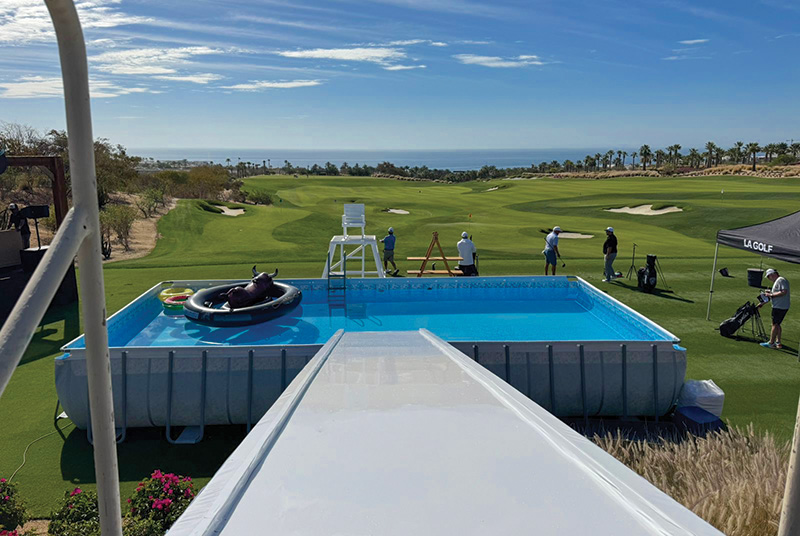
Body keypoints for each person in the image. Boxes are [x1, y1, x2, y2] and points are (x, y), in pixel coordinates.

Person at [758, 268, 790, 349]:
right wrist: (764, 302)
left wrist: (771, 295)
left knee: (775, 324)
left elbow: (783, 292)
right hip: (781, 306)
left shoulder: (780, 280)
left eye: (769, 277)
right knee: (777, 324)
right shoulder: (779, 281)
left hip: (779, 306)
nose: (769, 279)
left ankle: (771, 342)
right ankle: (778, 342)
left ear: (772, 275)